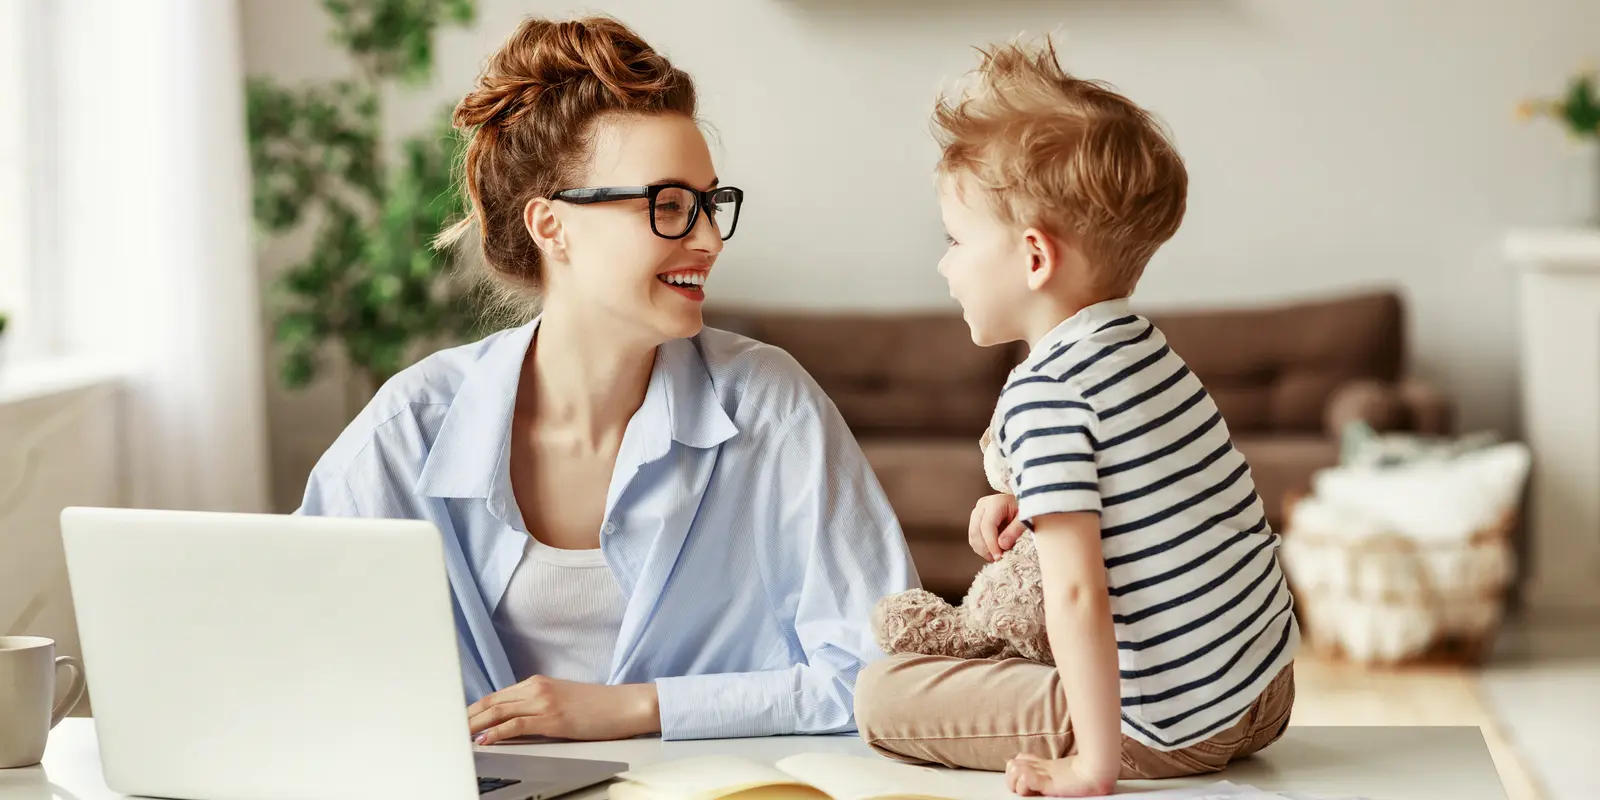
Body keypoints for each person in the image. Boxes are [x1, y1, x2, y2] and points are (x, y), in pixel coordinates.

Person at [296, 14, 918, 744]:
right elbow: (295, 657)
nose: (709, 239)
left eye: (709, 204)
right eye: (669, 205)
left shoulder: (770, 407)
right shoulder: (409, 430)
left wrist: (637, 708)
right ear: (550, 226)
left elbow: (884, 674)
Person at [852, 38, 1298, 796]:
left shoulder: (1045, 392)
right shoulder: (1142, 348)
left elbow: (1076, 594)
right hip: (1262, 686)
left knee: (882, 694)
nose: (944, 264)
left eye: (955, 241)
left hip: (1170, 724)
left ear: (1033, 258)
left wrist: (1093, 764)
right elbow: (1146, 500)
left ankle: (1100, 740)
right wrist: (1023, 500)